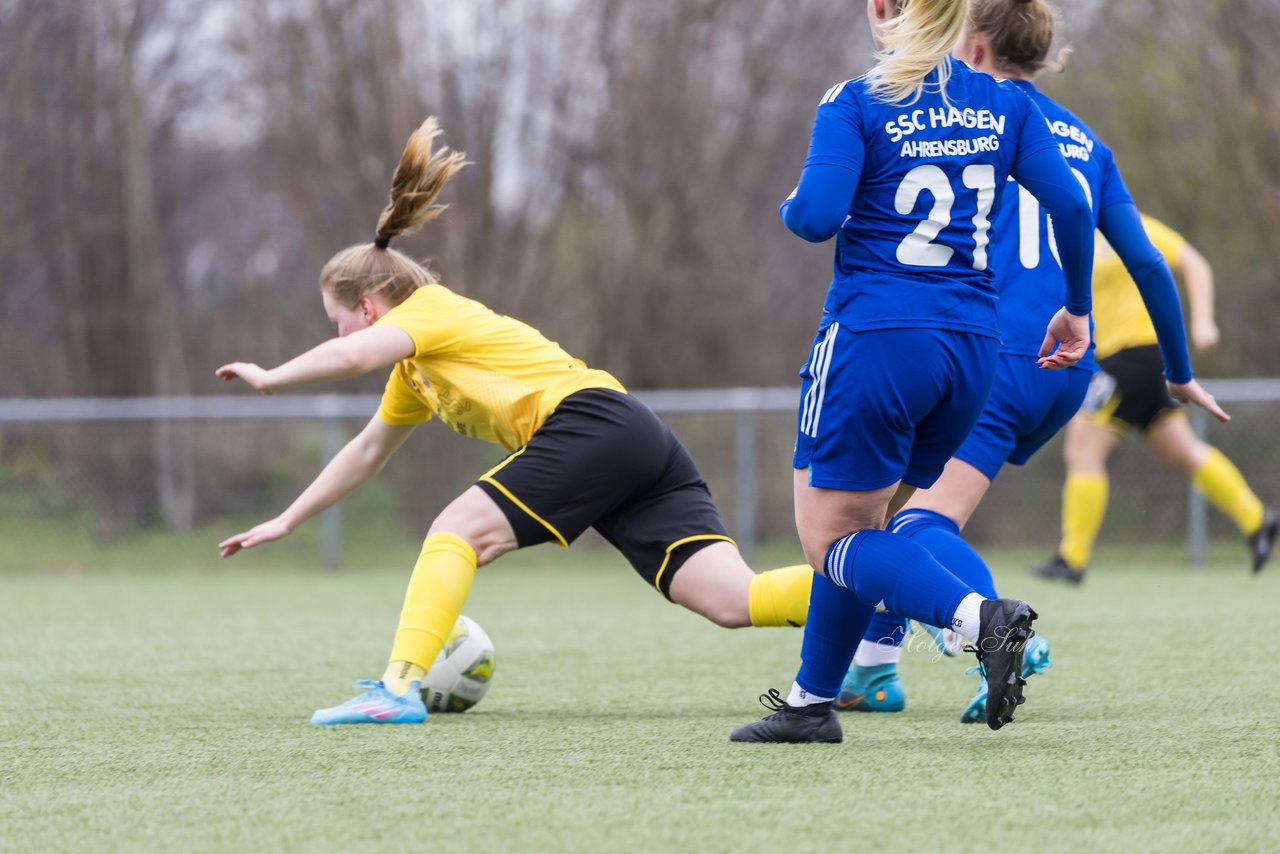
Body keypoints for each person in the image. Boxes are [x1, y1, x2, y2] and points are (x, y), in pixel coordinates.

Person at [215, 118, 814, 725]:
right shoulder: (415, 373)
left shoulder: (429, 311)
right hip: (632, 436)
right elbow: (368, 450)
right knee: (731, 599)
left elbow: (353, 353)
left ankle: (396, 690)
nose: (335, 333)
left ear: (367, 308)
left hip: (592, 421)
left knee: (456, 530)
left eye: (334, 318)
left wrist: (271, 376)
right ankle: (881, 600)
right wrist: (289, 519)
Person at [832, 0, 1230, 725]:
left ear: (972, 45)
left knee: (913, 525)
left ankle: (999, 636)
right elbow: (1146, 261)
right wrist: (1178, 370)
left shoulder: (970, 116)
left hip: (997, 353)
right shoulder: (1084, 139)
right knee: (894, 513)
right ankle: (873, 671)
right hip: (1069, 368)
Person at [729, 0, 1097, 743]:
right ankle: (809, 703)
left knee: (832, 541)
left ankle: (979, 621)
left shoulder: (856, 100)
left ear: (880, 10)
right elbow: (1070, 203)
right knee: (872, 527)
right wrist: (1077, 310)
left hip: (878, 341)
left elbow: (814, 218)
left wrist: (792, 203)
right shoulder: (1003, 103)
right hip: (972, 348)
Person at [1034, 213, 1276, 583]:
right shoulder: (1066, 232)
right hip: (1135, 359)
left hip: (1134, 355)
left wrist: (1203, 321)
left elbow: (1195, 263)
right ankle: (1256, 519)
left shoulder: (1131, 224)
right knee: (1182, 449)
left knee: (1082, 448)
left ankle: (1072, 558)